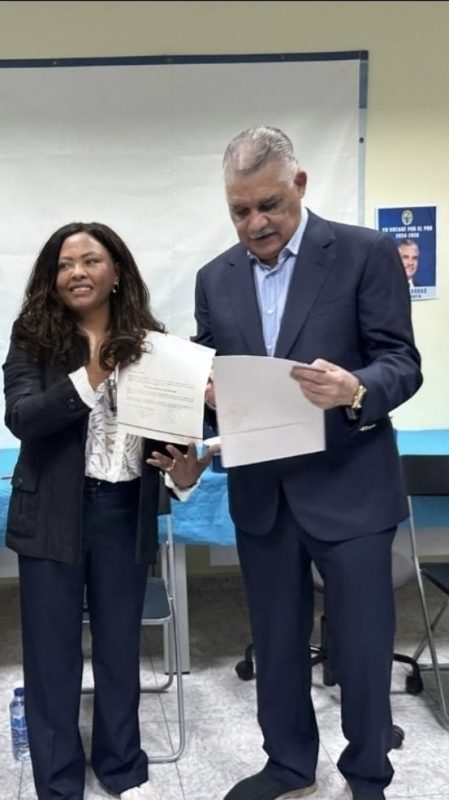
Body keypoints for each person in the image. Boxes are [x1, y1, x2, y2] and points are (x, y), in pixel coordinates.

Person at [194, 127, 423, 800]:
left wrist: (355, 388)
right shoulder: (215, 277)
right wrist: (204, 397)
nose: (254, 223)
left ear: (298, 185)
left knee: (362, 647)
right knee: (275, 641)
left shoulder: (364, 252)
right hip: (263, 493)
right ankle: (288, 764)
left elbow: (400, 362)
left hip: (351, 488)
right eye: (239, 210)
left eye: (267, 205)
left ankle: (367, 773)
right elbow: (211, 373)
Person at [2, 221, 215, 800]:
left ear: (116, 271)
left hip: (124, 510)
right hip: (52, 512)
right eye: (64, 264)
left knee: (121, 648)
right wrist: (94, 372)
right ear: (52, 278)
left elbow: (171, 441)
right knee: (52, 656)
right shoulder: (33, 337)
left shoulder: (156, 345)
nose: (77, 272)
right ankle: (58, 782)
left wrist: (183, 475)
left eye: (90, 260)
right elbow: (23, 418)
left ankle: (121, 766)